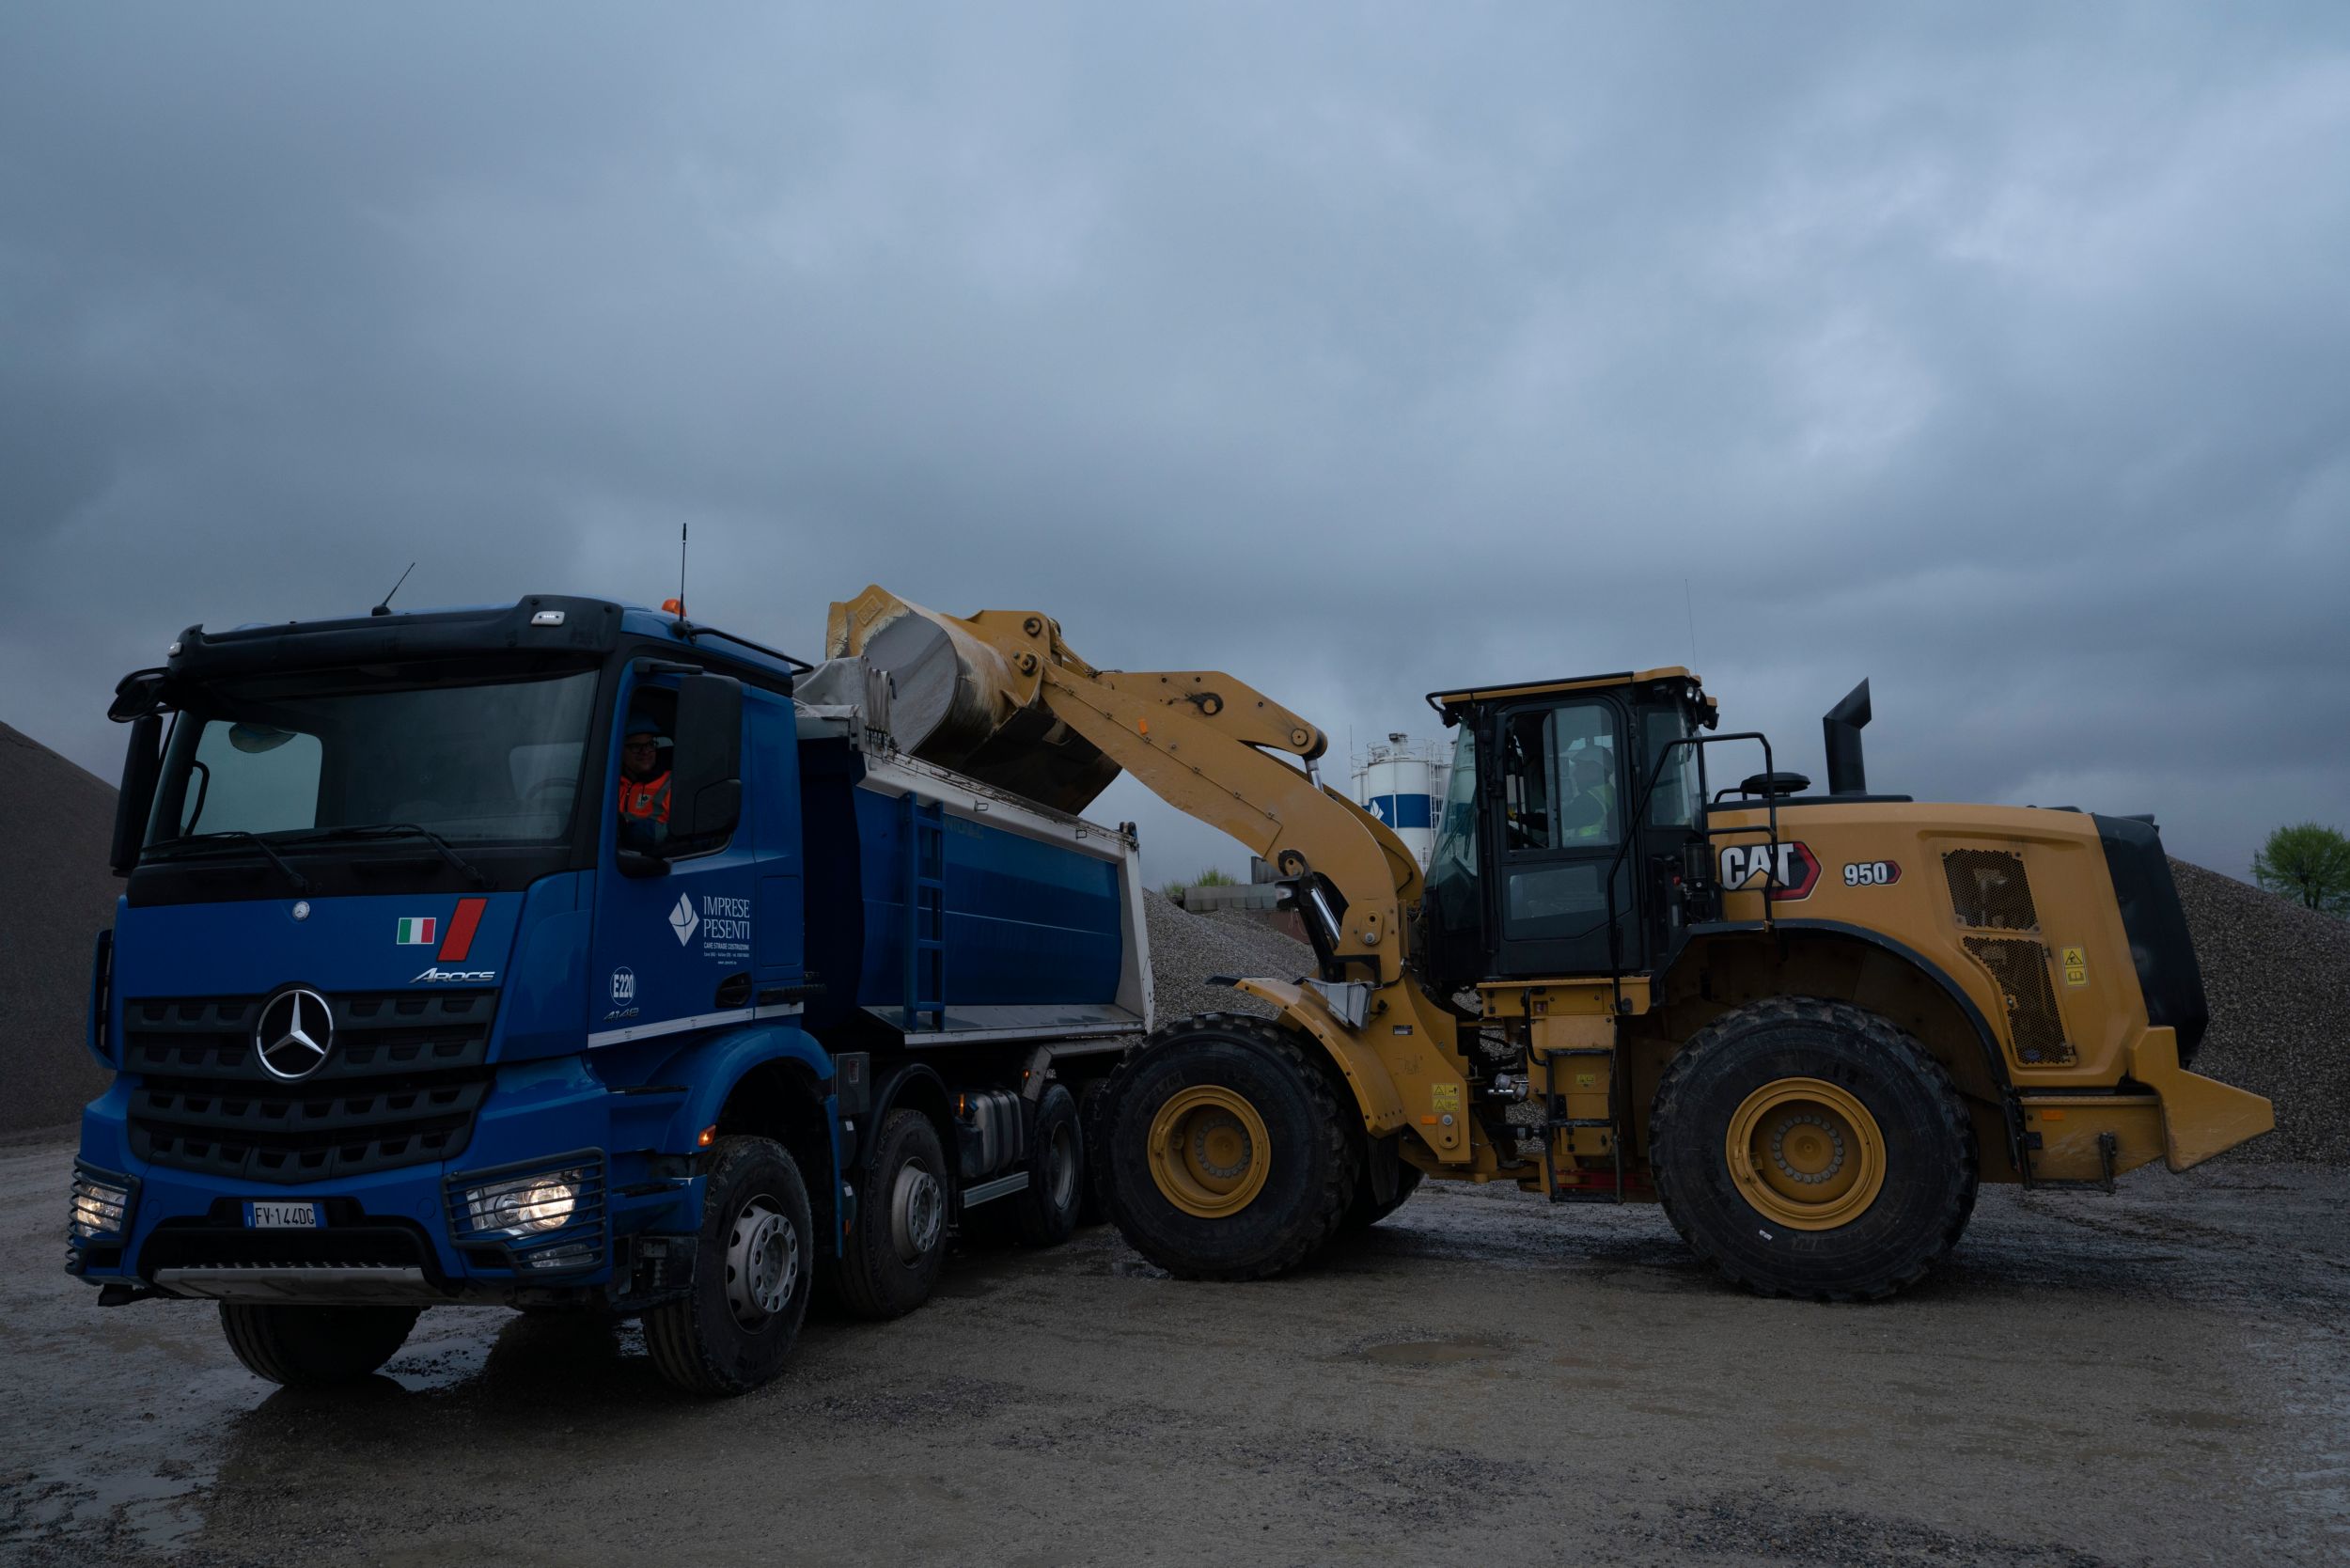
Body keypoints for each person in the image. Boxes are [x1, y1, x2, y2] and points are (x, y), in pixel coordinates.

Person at [618, 717, 671, 851]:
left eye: (650, 745)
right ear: (620, 750)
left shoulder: (672, 783)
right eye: (636, 746)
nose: (646, 752)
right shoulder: (610, 783)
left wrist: (634, 831)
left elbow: (680, 831)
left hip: (654, 863)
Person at [1562, 750, 1617, 840]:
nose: (1574, 773)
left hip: (1589, 851)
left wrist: (1531, 819)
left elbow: (1556, 823)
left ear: (1594, 770)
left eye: (1578, 766)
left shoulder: (1588, 801)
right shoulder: (1610, 791)